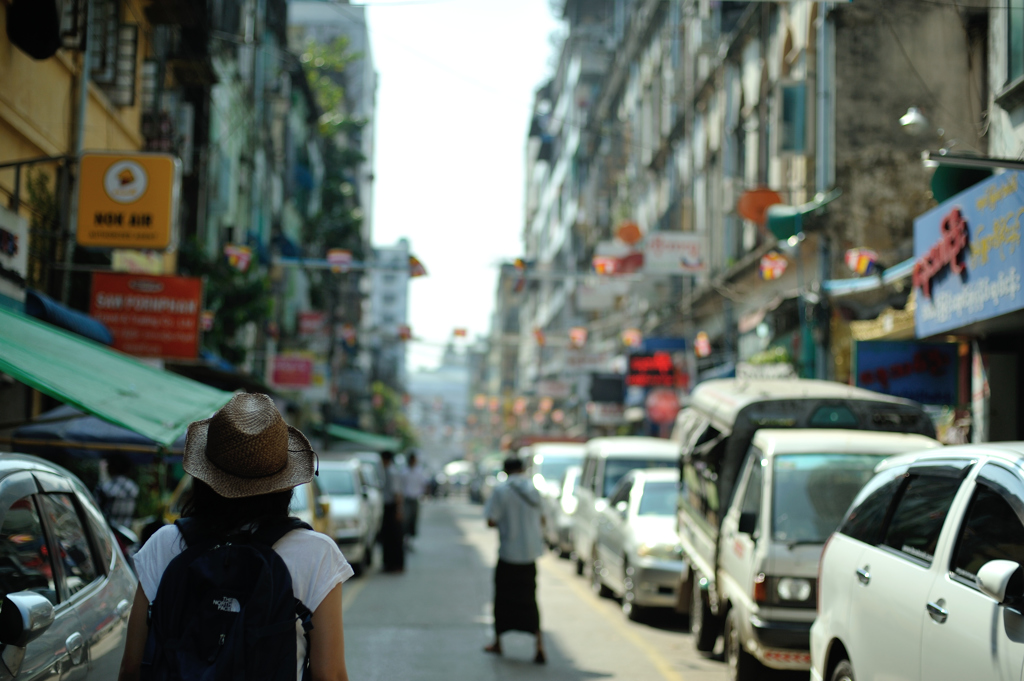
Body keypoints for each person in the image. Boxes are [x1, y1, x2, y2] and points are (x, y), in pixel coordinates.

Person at [117, 393, 352, 681]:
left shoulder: (165, 543)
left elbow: (132, 668)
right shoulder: (316, 554)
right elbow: (329, 674)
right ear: (284, 483)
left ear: (204, 477)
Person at [483, 456, 546, 664]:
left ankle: (498, 642)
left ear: (506, 470)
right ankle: (538, 646)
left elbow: (491, 520)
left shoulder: (501, 491)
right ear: (522, 469)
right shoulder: (535, 489)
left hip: (509, 554)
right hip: (529, 556)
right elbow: (543, 519)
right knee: (530, 599)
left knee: (502, 599)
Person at [95, 452, 139, 529]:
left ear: (112, 468)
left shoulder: (106, 487)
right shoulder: (133, 487)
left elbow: (96, 509)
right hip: (126, 531)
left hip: (109, 530)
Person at [380, 450, 405, 573]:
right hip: (388, 506)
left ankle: (395, 565)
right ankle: (389, 564)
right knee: (388, 537)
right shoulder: (387, 471)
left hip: (392, 507)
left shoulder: (391, 472)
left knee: (394, 537)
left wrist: (398, 510)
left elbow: (397, 493)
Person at [402, 451, 429, 549]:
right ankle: (405, 540)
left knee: (413, 520)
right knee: (406, 520)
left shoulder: (419, 472)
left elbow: (424, 484)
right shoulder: (404, 472)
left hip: (415, 499)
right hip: (407, 499)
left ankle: (411, 541)